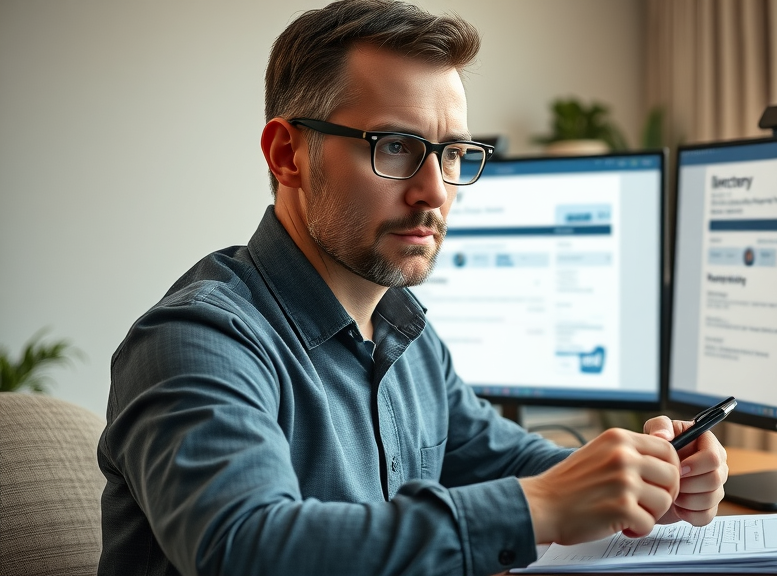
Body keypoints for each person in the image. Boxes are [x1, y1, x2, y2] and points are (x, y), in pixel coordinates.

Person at [96, 2, 728, 575]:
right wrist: (539, 507)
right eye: (395, 147)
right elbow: (245, 548)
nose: (433, 191)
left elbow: (508, 460)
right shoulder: (197, 340)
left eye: (451, 154)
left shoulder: (402, 332)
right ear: (288, 154)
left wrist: (643, 475)